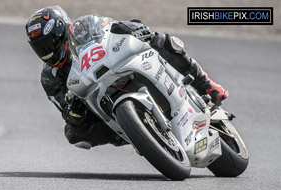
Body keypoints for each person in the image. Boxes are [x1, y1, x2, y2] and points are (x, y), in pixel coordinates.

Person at [25, 6, 228, 149]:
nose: (48, 53)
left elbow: (113, 27)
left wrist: (134, 29)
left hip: (114, 64)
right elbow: (66, 113)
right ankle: (133, 133)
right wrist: (73, 110)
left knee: (159, 39)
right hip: (95, 99)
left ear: (64, 31)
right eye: (41, 49)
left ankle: (206, 84)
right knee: (73, 134)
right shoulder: (49, 78)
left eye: (50, 44)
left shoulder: (84, 26)